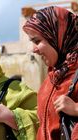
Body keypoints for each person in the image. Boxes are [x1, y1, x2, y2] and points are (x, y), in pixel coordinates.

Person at [23, 6, 78, 140]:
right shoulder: (51, 79)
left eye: (37, 41)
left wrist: (76, 109)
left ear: (57, 36)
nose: (33, 49)